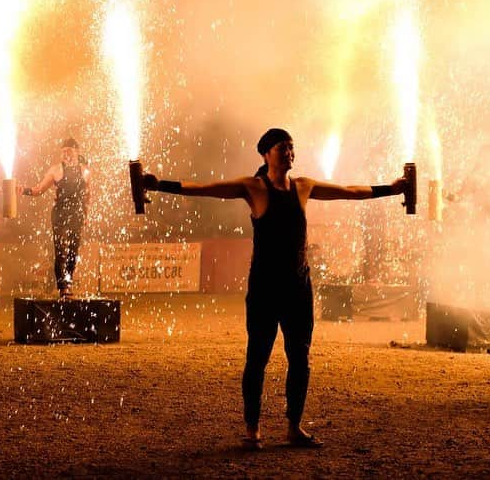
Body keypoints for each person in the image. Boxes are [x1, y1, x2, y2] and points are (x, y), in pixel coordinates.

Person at [143, 128, 407, 450]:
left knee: (300, 359)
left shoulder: (303, 186)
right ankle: (252, 431)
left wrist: (391, 190)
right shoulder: (253, 187)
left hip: (298, 286)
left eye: (292, 147)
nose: (290, 153)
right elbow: (204, 189)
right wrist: (160, 186)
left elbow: (349, 192)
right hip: (265, 289)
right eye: (283, 148)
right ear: (266, 154)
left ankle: (293, 428)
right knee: (257, 359)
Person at [21, 138, 91, 298]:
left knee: (73, 251)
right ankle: (63, 287)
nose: (66, 154)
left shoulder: (85, 171)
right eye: (63, 151)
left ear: (77, 152)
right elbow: (39, 189)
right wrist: (24, 190)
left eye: (69, 151)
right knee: (61, 251)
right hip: (60, 214)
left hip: (77, 214)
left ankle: (69, 281)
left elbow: (88, 195)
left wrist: (86, 215)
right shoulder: (56, 170)